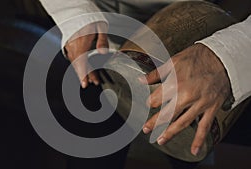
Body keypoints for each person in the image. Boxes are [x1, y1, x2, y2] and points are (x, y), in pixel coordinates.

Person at [38, 0, 251, 157]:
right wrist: (76, 13)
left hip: (221, 34)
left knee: (189, 145)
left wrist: (228, 54)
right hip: (103, 39)